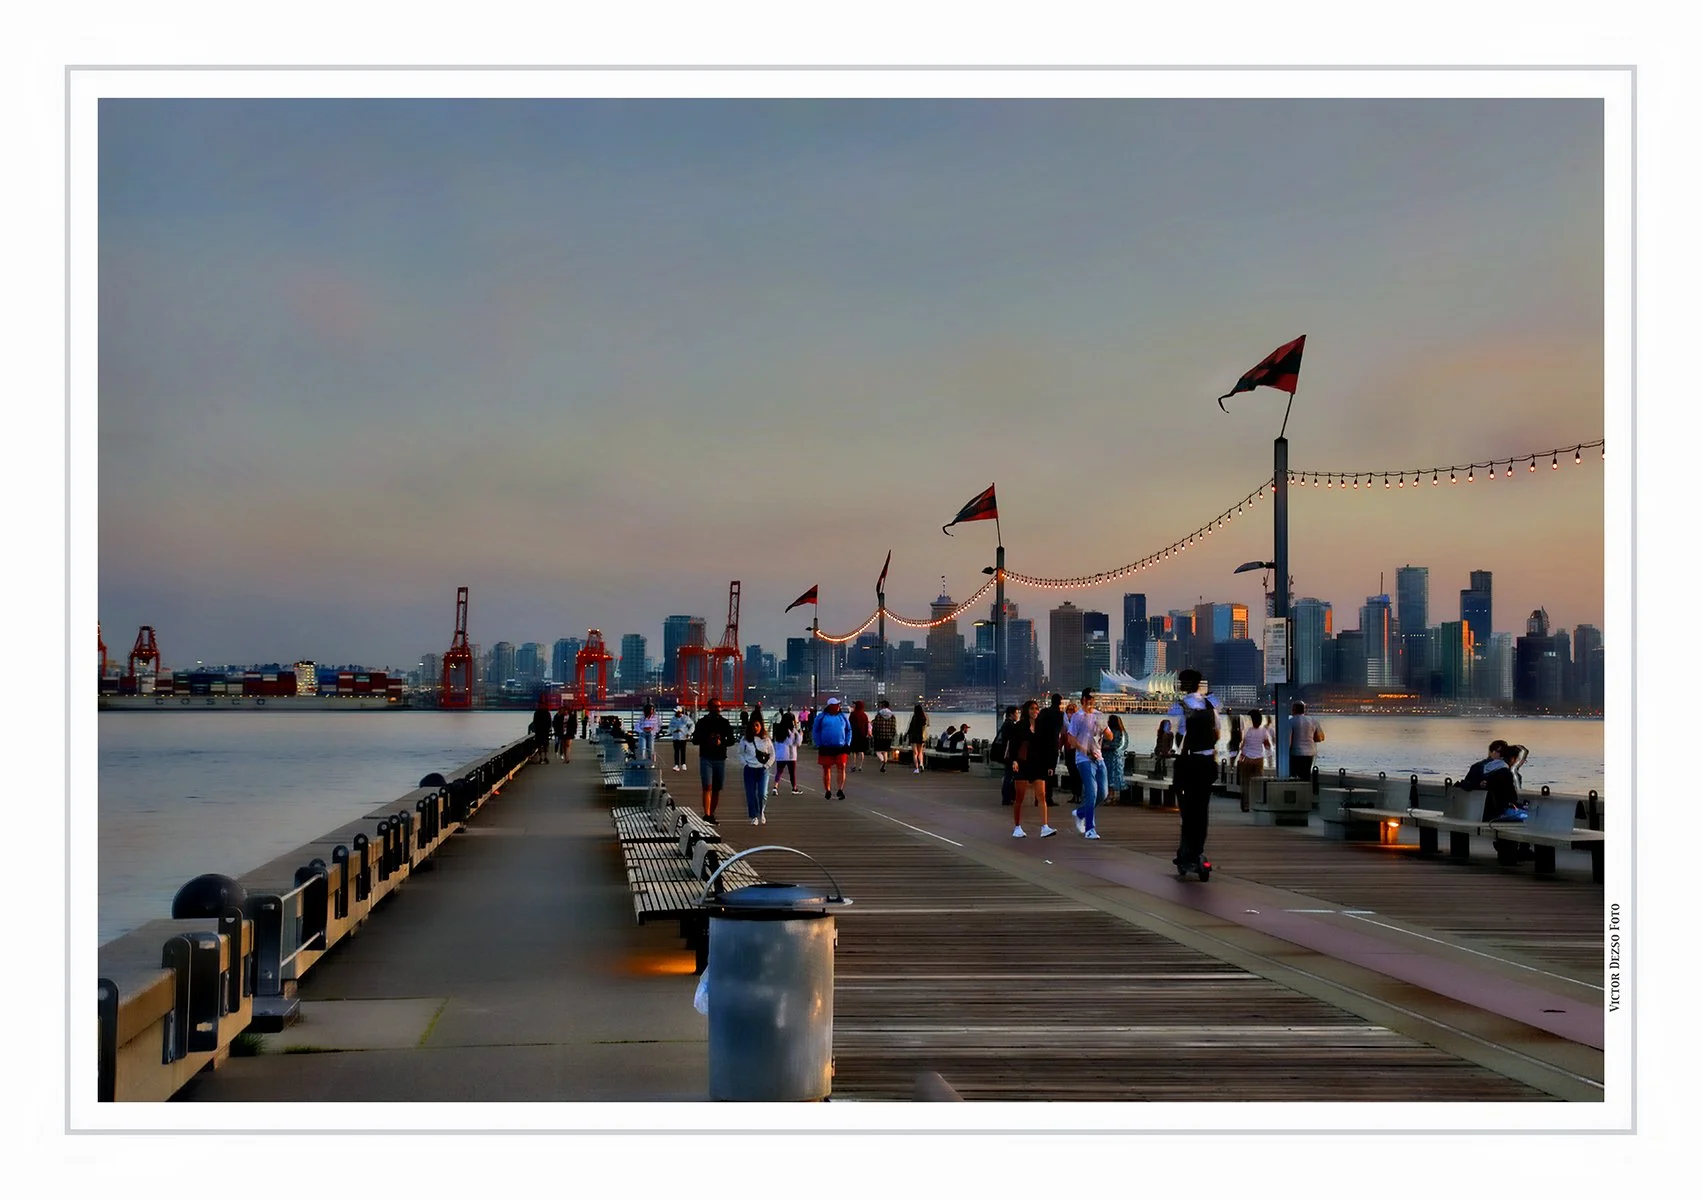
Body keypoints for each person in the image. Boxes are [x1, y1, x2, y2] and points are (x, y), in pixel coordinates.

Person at [1167, 668, 1221, 875]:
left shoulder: (1179, 707)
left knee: (1186, 809)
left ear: (1183, 685)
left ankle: (1187, 851)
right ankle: (1197, 849)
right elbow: (1217, 733)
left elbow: (1175, 736)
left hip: (1188, 763)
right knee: (1202, 809)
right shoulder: (1211, 705)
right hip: (1207, 763)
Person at [1006, 698, 1057, 838]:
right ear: (1026, 711)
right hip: (1023, 764)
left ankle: (1045, 826)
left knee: (1041, 795)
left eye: (1036, 709)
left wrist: (1050, 765)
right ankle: (1017, 826)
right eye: (1032, 709)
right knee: (1019, 798)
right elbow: (1013, 745)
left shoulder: (1042, 727)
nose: (1035, 711)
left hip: (1038, 764)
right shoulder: (1019, 726)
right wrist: (1014, 761)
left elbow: (1048, 747)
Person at [1067, 688, 1110, 839]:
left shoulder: (1099, 715)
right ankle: (1090, 829)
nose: (1092, 701)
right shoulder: (1077, 717)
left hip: (1099, 758)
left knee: (1103, 793)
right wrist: (1084, 750)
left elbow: (1109, 736)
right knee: (1091, 793)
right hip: (1084, 759)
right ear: (1084, 699)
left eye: (1094, 698)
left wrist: (1103, 726)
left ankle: (1081, 813)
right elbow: (1071, 739)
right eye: (1090, 698)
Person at [691, 697, 734, 822]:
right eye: (715, 706)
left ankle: (712, 813)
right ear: (709, 708)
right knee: (707, 786)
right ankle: (707, 814)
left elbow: (731, 740)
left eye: (719, 706)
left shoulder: (724, 723)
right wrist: (708, 739)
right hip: (706, 758)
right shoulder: (702, 722)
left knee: (716, 788)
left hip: (720, 758)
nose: (718, 709)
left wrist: (722, 742)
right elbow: (695, 740)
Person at [811, 696, 853, 800]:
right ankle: (828, 790)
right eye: (836, 705)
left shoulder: (842, 716)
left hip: (841, 746)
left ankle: (840, 789)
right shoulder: (821, 717)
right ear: (831, 706)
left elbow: (849, 730)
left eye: (839, 704)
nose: (839, 706)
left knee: (842, 766)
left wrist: (848, 742)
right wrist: (819, 743)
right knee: (826, 768)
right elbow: (815, 730)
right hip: (826, 747)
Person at [738, 714, 775, 825]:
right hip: (750, 769)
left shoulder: (766, 740)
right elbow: (740, 753)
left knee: (762, 793)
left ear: (761, 726)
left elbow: (772, 754)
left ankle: (761, 811)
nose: (755, 728)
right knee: (750, 794)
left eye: (757, 725)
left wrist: (767, 765)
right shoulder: (745, 740)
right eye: (753, 726)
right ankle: (753, 816)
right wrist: (745, 764)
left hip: (762, 770)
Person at [1236, 709, 1274, 812]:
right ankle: (1257, 803)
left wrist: (1240, 756)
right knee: (1258, 783)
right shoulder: (1263, 731)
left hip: (1247, 758)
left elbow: (1242, 746)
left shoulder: (1247, 730)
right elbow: (1267, 745)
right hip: (1259, 759)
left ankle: (1245, 805)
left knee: (1245, 784)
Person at [1033, 693, 1067, 800]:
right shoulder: (1061, 714)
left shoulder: (1044, 712)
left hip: (1041, 744)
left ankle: (1038, 796)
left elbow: (1037, 725)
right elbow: (1066, 728)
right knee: (1051, 770)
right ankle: (1048, 797)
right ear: (1060, 702)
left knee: (1041, 770)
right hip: (1053, 744)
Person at [992, 705, 1020, 805]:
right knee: (1009, 776)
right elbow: (1011, 741)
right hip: (1009, 754)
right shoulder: (1010, 725)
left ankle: (1008, 797)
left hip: (1006, 754)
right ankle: (1007, 797)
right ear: (1011, 714)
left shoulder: (1005, 725)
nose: (1018, 715)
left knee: (1008, 775)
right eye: (1017, 713)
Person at [771, 709, 803, 795]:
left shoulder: (779, 730)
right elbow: (798, 743)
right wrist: (801, 735)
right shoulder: (793, 731)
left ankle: (775, 787)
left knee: (779, 771)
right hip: (791, 755)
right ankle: (794, 788)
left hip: (780, 754)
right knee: (792, 773)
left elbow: (775, 742)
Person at [1288, 700, 1322, 780]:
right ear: (1304, 709)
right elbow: (1320, 738)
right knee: (1306, 775)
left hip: (1296, 753)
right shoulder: (1313, 720)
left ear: (1294, 709)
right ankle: (1306, 790)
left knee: (1294, 776)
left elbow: (1289, 740)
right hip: (1310, 753)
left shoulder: (1291, 721)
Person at [1105, 714, 1128, 802]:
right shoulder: (1121, 732)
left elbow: (1119, 745)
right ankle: (1110, 795)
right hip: (1113, 756)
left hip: (1112, 756)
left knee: (1110, 775)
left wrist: (1108, 746)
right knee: (1111, 776)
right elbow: (1123, 745)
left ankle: (1110, 795)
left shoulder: (1116, 732)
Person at [871, 699, 898, 772]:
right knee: (885, 751)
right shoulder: (892, 716)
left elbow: (875, 726)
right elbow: (893, 726)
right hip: (888, 736)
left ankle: (882, 760)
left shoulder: (879, 715)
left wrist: (874, 733)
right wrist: (892, 734)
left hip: (879, 736)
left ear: (882, 706)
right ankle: (884, 764)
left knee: (878, 751)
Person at [667, 705, 693, 771]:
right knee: (676, 751)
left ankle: (683, 764)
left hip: (683, 737)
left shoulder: (685, 718)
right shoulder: (673, 719)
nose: (675, 713)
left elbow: (692, 725)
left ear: (680, 712)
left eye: (677, 712)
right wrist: (674, 730)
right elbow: (670, 727)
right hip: (676, 737)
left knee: (683, 751)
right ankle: (676, 765)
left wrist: (689, 733)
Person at [848, 699, 872, 772]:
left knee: (853, 751)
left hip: (854, 735)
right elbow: (867, 725)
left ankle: (853, 765)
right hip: (862, 735)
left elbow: (849, 724)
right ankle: (860, 766)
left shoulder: (853, 714)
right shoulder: (864, 715)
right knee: (861, 751)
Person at [905, 702, 929, 773]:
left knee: (915, 753)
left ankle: (917, 768)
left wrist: (907, 734)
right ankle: (921, 764)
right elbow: (926, 726)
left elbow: (910, 727)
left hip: (913, 737)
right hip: (921, 737)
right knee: (920, 752)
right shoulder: (923, 718)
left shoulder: (914, 717)